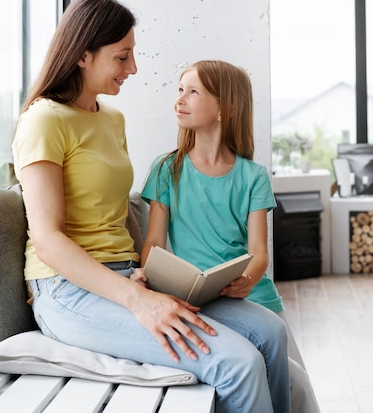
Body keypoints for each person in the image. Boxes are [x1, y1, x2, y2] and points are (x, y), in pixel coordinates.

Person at [12, 0, 291, 413]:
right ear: (84, 56)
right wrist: (137, 299)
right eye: (122, 57)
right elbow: (49, 241)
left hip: (128, 275)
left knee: (269, 331)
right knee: (238, 363)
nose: (133, 69)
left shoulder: (111, 119)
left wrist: (143, 279)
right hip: (67, 289)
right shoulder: (43, 120)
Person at [137, 59, 320, 413]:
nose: (180, 100)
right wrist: (153, 276)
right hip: (200, 301)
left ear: (225, 107)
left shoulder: (253, 176)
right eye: (179, 90)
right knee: (256, 373)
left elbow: (258, 252)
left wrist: (248, 280)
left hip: (255, 298)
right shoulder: (166, 170)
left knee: (297, 383)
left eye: (193, 92)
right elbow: (154, 244)